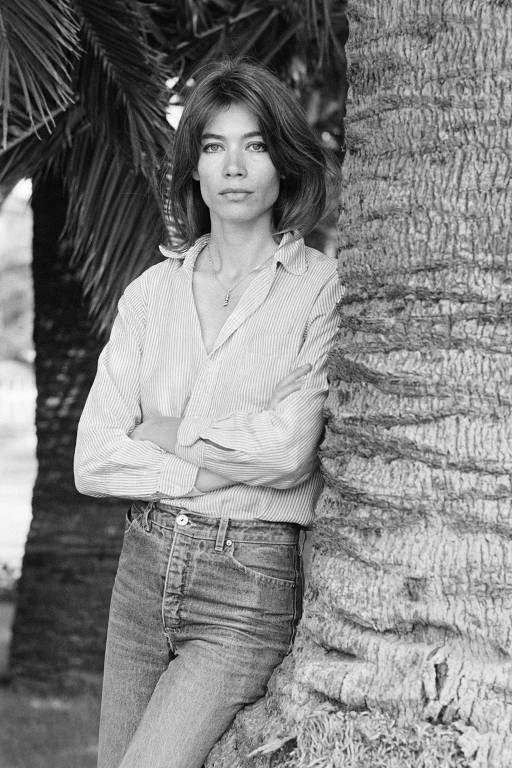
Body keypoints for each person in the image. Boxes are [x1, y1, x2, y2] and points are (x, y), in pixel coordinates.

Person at [74, 57, 343, 768]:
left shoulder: (321, 288)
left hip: (246, 584)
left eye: (254, 145)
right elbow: (95, 457)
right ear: (193, 166)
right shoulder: (149, 295)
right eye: (214, 146)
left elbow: (289, 453)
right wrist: (206, 470)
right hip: (142, 570)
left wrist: (168, 434)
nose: (234, 167)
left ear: (283, 162)